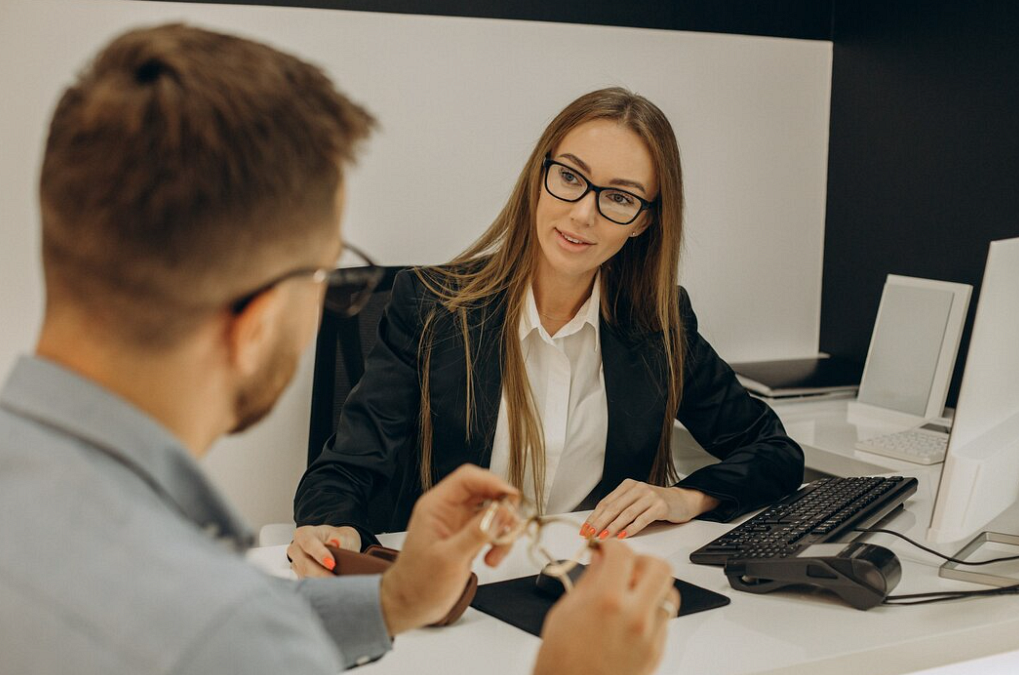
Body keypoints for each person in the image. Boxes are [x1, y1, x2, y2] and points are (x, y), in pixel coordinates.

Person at [0, 24, 678, 675]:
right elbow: (223, 632)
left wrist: (388, 599)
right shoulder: (212, 626)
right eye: (326, 273)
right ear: (259, 320)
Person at [291, 87, 805, 573]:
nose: (583, 214)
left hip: (587, 586)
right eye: (570, 177)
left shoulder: (659, 323)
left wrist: (683, 498)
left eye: (620, 198)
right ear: (540, 175)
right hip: (453, 588)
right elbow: (343, 472)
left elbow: (773, 451)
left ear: (643, 222)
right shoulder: (431, 308)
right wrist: (337, 531)